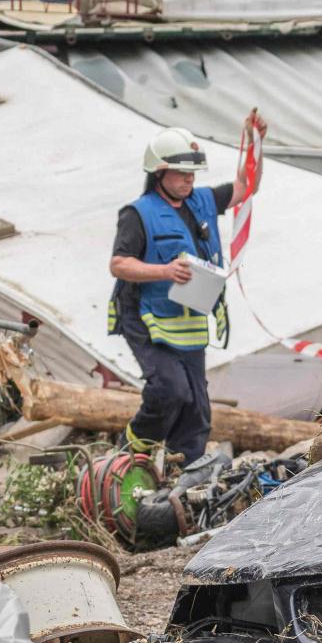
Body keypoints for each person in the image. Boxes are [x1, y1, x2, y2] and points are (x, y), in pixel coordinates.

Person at [108, 118, 265, 462]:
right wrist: (163, 270)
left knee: (196, 406)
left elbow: (245, 186)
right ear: (159, 173)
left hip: (188, 320)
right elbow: (119, 264)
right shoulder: (138, 214)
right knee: (169, 390)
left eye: (192, 173)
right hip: (144, 315)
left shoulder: (203, 201)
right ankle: (129, 453)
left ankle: (185, 470)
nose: (189, 180)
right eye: (181, 174)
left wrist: (256, 145)